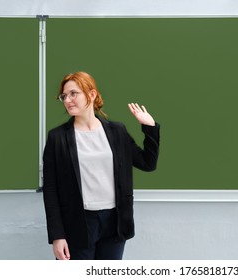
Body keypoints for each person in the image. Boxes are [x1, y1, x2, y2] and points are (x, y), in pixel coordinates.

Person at [42, 71, 160, 260]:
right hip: (78, 224)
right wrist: (57, 236)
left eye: (74, 93)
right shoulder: (57, 138)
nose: (68, 100)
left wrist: (150, 128)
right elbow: (51, 190)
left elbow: (147, 163)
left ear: (92, 94)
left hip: (115, 222)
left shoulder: (117, 131)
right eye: (64, 96)